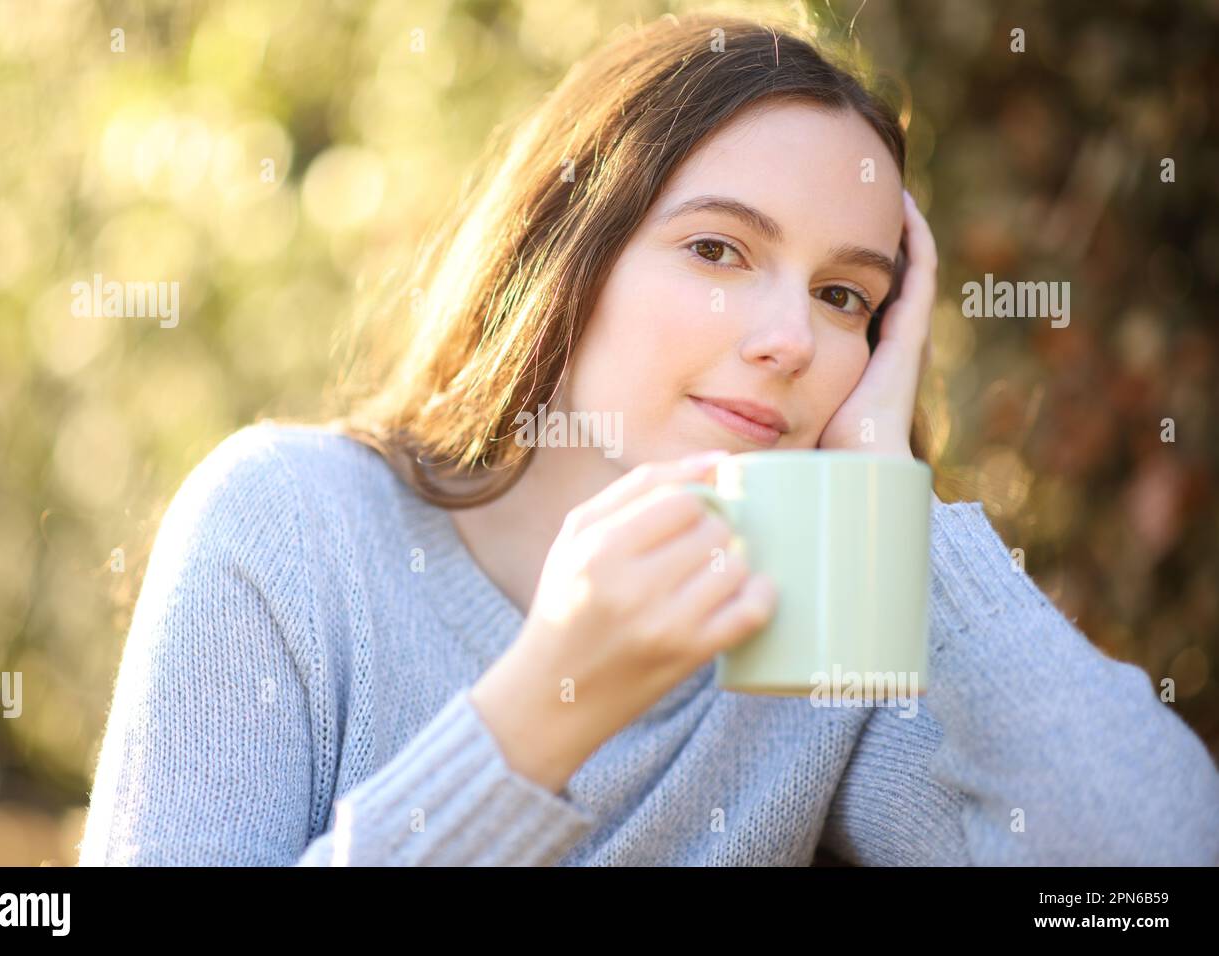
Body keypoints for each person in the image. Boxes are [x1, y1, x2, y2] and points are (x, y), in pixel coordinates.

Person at [77, 12, 1219, 866]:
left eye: (844, 296)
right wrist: (545, 707)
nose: (790, 340)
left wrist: (896, 504)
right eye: (718, 250)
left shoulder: (821, 623)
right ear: (567, 251)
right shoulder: (289, 527)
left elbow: (1153, 857)